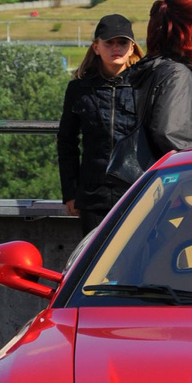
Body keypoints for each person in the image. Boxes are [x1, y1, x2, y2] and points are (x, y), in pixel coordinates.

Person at [57, 13, 143, 234]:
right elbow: (67, 142)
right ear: (96, 47)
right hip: (93, 196)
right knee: (97, 264)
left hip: (138, 192)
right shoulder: (79, 89)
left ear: (132, 48)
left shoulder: (144, 86)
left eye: (122, 42)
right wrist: (70, 192)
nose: (116, 48)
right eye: (109, 43)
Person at [129, 0, 192, 164]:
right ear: (188, 32)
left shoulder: (157, 70)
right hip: (190, 183)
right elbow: (172, 136)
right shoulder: (176, 74)